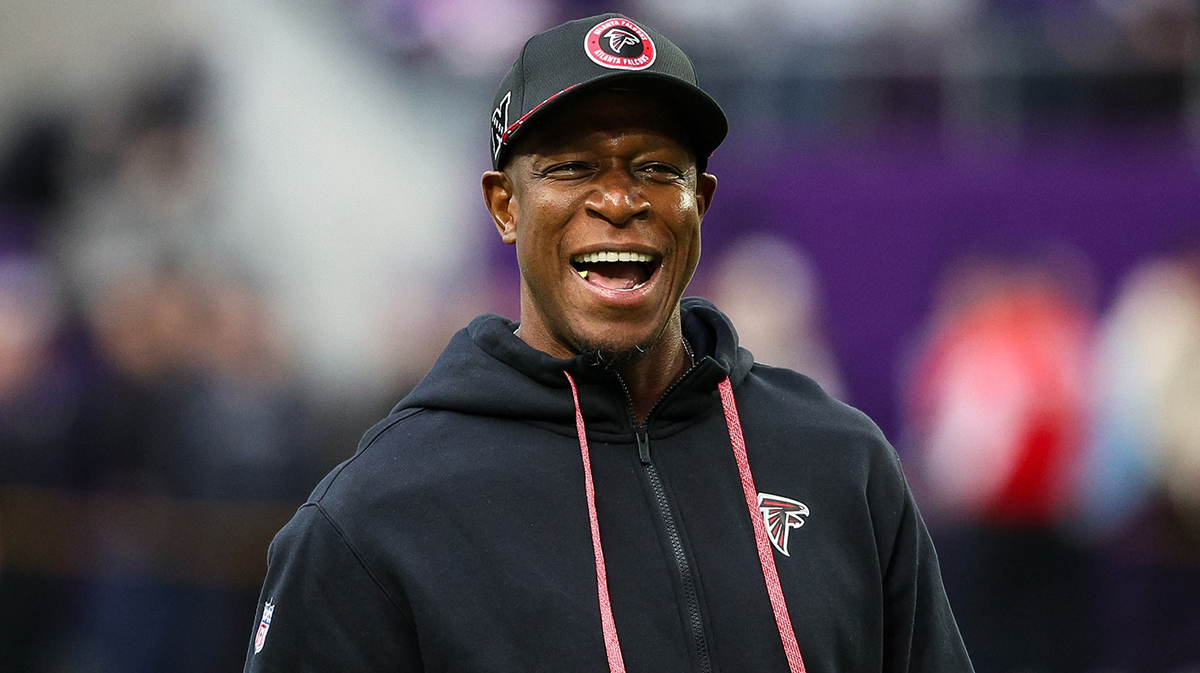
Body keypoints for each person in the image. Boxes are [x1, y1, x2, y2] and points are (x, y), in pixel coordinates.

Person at [242, 13, 974, 672]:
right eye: (573, 168)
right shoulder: (375, 517)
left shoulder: (841, 463)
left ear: (701, 203)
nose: (620, 201)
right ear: (505, 205)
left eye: (657, 168)